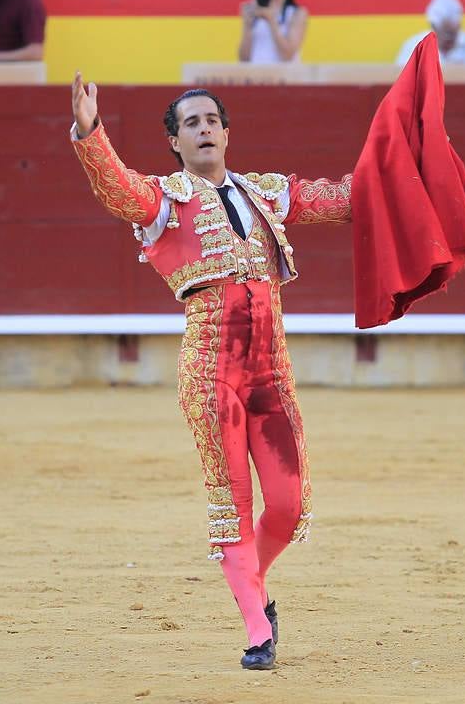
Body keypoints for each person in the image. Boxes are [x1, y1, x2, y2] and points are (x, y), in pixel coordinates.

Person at [70, 76, 353, 671]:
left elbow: (344, 198)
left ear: (226, 132)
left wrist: (405, 160)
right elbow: (117, 190)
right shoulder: (165, 198)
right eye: (190, 124)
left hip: (272, 372)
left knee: (289, 505)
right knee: (232, 501)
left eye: (211, 121)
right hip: (210, 371)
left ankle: (254, 579)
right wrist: (90, 133)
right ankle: (257, 629)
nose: (203, 130)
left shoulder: (266, 194)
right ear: (175, 142)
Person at [396, 0, 465, 65]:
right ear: (433, 26)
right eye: (445, 33)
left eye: (452, 33)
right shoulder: (414, 47)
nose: (448, 39)